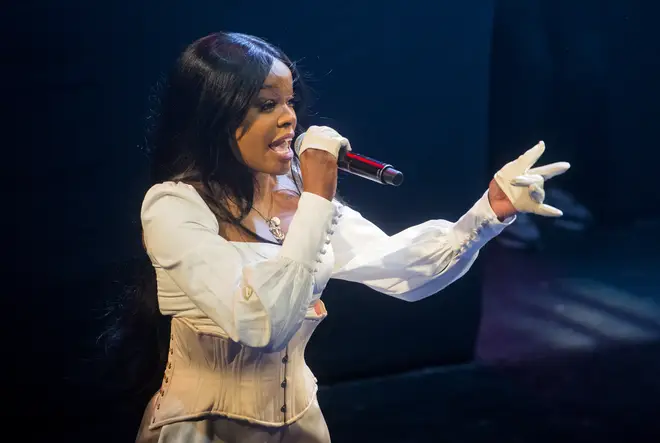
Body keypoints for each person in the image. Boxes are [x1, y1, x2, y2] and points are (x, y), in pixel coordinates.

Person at [133, 31, 570, 443]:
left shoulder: (300, 199)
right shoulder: (174, 207)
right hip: (204, 430)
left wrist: (487, 213)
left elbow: (400, 271)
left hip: (300, 426)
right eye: (267, 105)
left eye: (290, 101)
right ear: (216, 116)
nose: (290, 119)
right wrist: (317, 198)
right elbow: (263, 324)